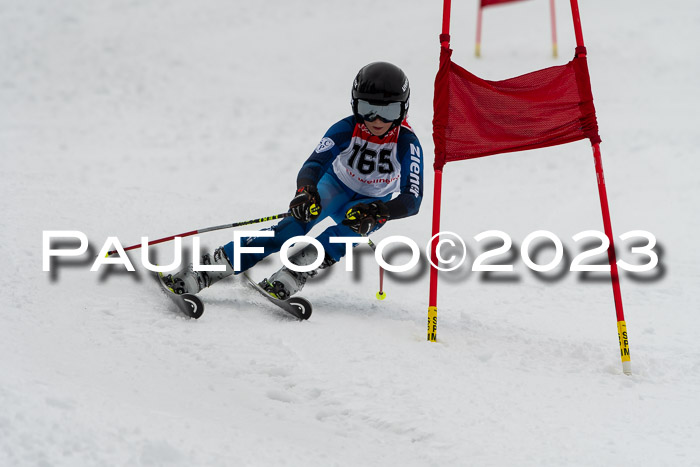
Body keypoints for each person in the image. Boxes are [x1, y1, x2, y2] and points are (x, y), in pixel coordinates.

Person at [163, 61, 423, 300]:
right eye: (368, 109)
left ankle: (292, 275)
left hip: (372, 202)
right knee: (289, 230)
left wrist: (381, 211)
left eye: (389, 111)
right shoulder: (346, 128)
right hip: (335, 186)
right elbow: (314, 164)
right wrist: (306, 190)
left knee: (338, 239)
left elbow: (412, 199)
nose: (377, 120)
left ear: (404, 108)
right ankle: (206, 270)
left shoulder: (407, 143)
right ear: (355, 105)